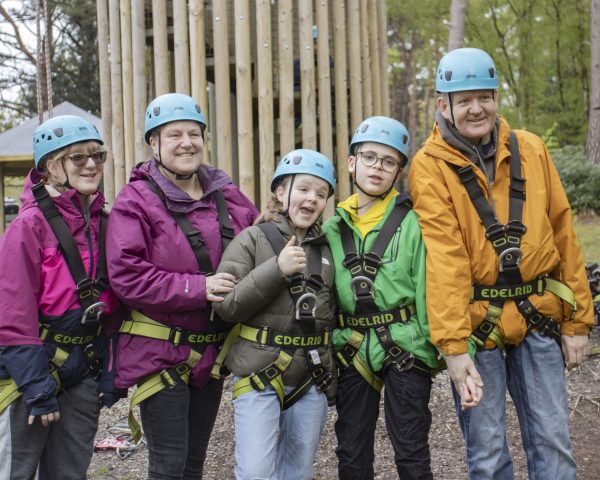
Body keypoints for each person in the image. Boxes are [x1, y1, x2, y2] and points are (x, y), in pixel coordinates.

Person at [408, 47, 594, 479]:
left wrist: (578, 321)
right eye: (465, 99)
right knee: (488, 455)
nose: (477, 109)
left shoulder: (530, 148)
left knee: (554, 443)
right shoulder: (430, 168)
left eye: (485, 97)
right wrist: (454, 349)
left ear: (496, 97)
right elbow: (445, 260)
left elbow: (563, 233)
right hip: (478, 326)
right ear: (443, 105)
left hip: (538, 317)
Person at [106, 93, 258, 480]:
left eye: (194, 133)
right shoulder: (135, 201)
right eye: (174, 134)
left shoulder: (227, 195)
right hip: (160, 353)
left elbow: (260, 242)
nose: (186, 142)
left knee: (193, 464)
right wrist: (198, 288)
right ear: (154, 143)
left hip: (210, 353)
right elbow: (127, 274)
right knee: (169, 465)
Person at [0, 115, 125, 479]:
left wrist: (111, 372)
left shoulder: (105, 220)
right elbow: (12, 314)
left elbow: (115, 306)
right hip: (28, 374)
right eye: (78, 158)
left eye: (97, 156)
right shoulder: (28, 226)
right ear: (52, 166)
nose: (91, 164)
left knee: (70, 473)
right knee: (17, 471)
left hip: (83, 368)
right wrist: (37, 387)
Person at [323, 116, 442, 480]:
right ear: (351, 162)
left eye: (388, 161)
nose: (378, 167)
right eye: (370, 157)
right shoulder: (331, 228)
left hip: (405, 343)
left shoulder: (412, 224)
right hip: (353, 346)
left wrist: (443, 348)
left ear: (398, 172)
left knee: (411, 448)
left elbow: (427, 286)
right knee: (352, 451)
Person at [212, 149, 338, 480]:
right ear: (281, 193)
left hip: (311, 376)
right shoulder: (252, 240)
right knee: (255, 473)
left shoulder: (327, 250)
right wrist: (276, 270)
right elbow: (226, 306)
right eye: (304, 189)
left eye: (321, 194)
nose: (312, 199)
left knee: (297, 472)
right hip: (259, 374)